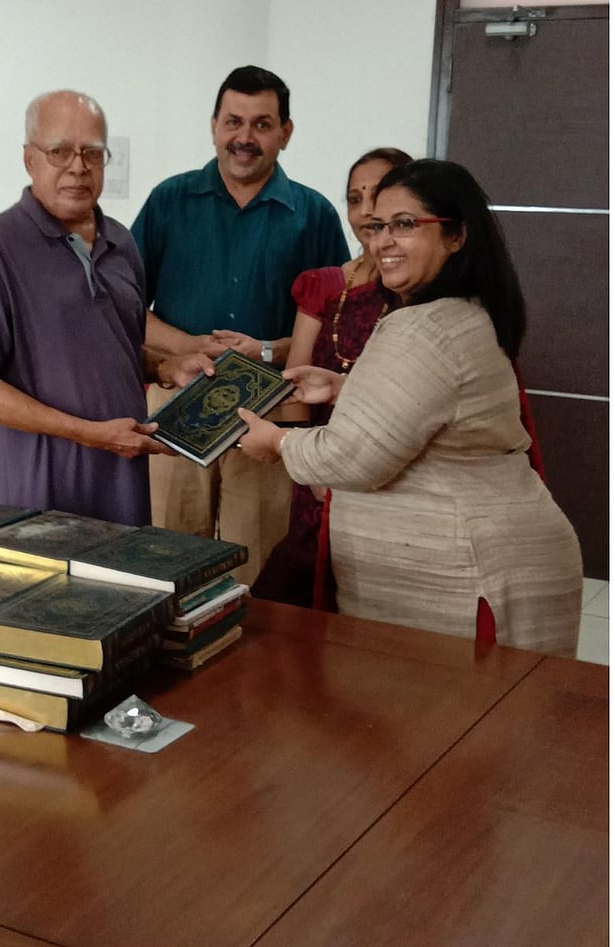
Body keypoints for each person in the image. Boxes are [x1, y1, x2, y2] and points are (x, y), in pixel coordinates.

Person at [238, 159, 582, 656]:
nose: (383, 242)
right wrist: (344, 389)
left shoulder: (424, 328)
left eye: (405, 225)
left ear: (457, 235)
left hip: (470, 574)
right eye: (378, 226)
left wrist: (276, 441)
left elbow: (352, 457)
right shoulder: (462, 311)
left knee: (468, 727)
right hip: (483, 560)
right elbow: (437, 407)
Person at [0, 90, 210, 527]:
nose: (78, 166)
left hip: (120, 481)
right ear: (30, 159)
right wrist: (91, 435)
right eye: (59, 151)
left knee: (126, 589)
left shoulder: (122, 243)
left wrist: (166, 369)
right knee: (41, 594)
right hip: (35, 492)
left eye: (92, 153)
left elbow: (107, 343)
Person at [131, 65, 350, 586]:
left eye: (261, 124)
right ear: (213, 126)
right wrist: (185, 344)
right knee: (168, 549)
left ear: (285, 133)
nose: (244, 138)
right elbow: (124, 306)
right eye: (233, 122)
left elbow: (337, 326)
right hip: (176, 404)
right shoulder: (169, 201)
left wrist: (268, 351)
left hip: (270, 410)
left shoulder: (314, 215)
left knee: (256, 558)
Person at [251, 147, 413, 606]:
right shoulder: (324, 284)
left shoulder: (418, 289)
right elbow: (296, 383)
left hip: (388, 472)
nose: (365, 212)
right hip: (318, 468)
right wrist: (308, 470)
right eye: (354, 198)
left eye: (378, 198)